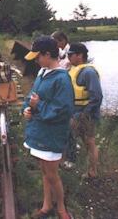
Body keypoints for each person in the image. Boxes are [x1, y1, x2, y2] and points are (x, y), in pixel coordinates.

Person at [23, 36, 74, 219]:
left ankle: (61, 209)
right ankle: (46, 205)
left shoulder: (62, 79)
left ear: (47, 54)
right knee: (44, 171)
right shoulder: (42, 73)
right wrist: (27, 109)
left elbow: (63, 110)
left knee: (52, 174)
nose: (36, 60)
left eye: (37, 57)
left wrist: (38, 107)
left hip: (51, 134)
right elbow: (32, 96)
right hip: (39, 131)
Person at [67, 43, 103, 178]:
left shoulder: (88, 72)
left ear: (80, 55)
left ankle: (92, 172)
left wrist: (85, 114)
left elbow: (97, 96)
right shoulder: (74, 70)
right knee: (73, 137)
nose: (68, 57)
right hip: (75, 112)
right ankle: (73, 162)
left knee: (89, 142)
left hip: (86, 114)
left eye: (71, 55)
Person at [51, 31, 77, 170]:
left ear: (62, 40)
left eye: (56, 42)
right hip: (63, 92)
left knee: (69, 127)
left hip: (68, 93)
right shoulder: (63, 52)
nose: (55, 46)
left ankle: (71, 157)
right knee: (66, 126)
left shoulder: (70, 52)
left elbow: (63, 67)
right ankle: (68, 151)